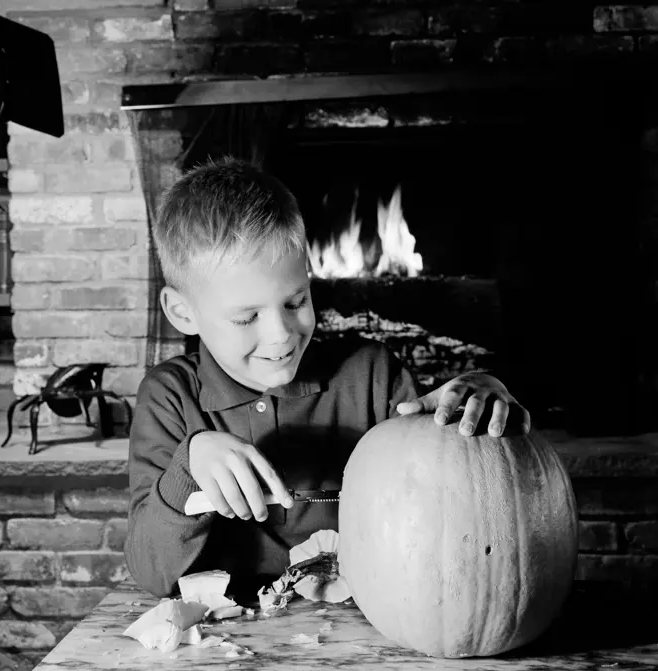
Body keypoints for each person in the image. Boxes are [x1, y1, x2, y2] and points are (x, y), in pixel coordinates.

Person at [125, 156, 530, 599]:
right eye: (246, 318)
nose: (281, 335)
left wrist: (469, 428)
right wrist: (190, 464)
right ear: (183, 312)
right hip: (227, 642)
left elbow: (443, 515)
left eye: (296, 301)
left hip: (369, 625)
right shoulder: (170, 397)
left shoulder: (372, 375)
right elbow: (151, 572)